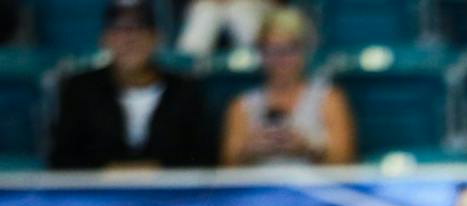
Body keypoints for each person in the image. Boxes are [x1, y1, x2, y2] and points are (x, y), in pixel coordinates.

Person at [47, 1, 214, 171]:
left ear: (157, 38)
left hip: (170, 188)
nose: (129, 40)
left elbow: (203, 158)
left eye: (140, 29)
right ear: (104, 39)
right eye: (119, 30)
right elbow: (61, 159)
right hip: (95, 188)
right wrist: (109, 172)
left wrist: (155, 171)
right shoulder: (80, 89)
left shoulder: (184, 91)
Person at [219, 9, 356, 167]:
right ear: (260, 52)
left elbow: (346, 162)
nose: (280, 59)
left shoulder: (330, 99)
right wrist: (249, 150)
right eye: (271, 50)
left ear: (305, 51)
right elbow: (226, 168)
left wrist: (307, 147)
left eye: (289, 50)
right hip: (260, 182)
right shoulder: (241, 106)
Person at [174, 0, 275, 56]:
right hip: (212, 4)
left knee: (240, 11)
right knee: (206, 11)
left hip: (251, 5)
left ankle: (260, 59)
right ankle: (187, 67)